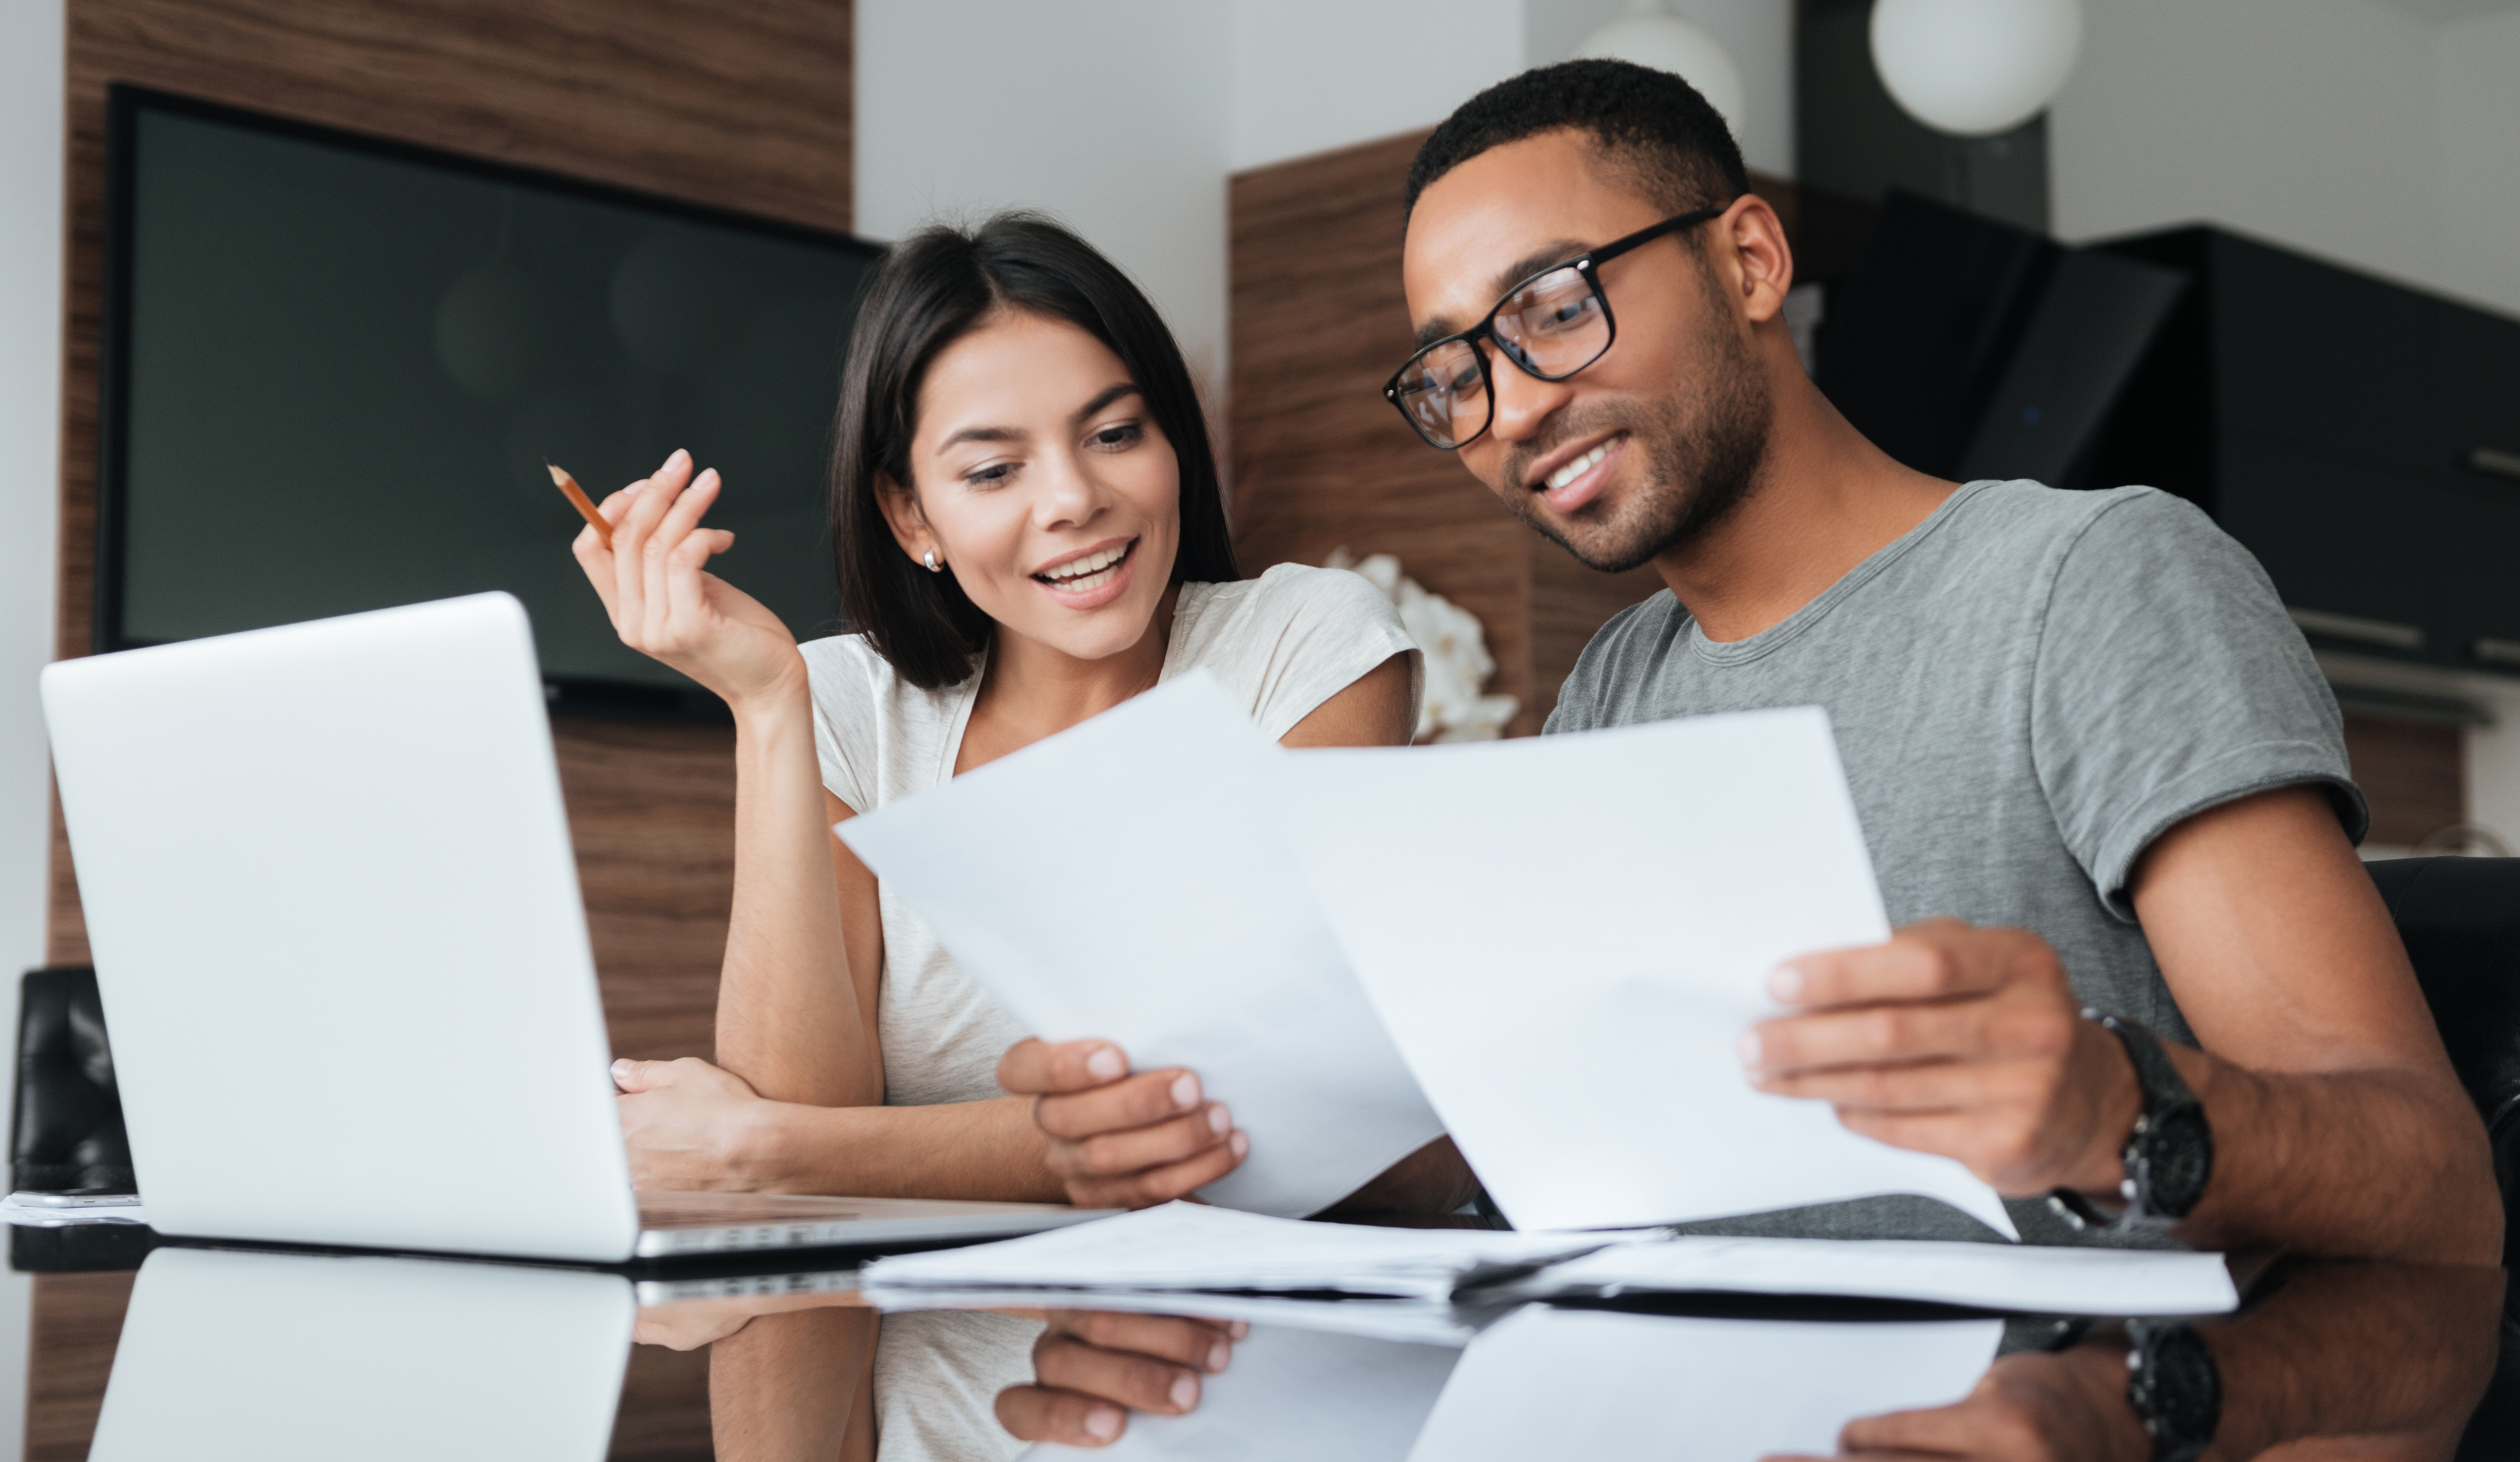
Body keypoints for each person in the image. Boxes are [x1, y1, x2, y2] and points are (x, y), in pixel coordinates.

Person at [1020, 58, 2498, 1269]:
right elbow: (1548, 1162)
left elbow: (2430, 1178)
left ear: (1746, 258)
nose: (1511, 408)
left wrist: (2117, 1105)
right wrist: (1213, 1136)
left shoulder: (2090, 581)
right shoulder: (1614, 683)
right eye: (1455, 373)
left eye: (1551, 307)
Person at [568, 213, 1461, 1461]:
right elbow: (803, 1181)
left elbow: (1227, 1120)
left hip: (1231, 1401)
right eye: (993, 471)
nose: (1076, 500)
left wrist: (760, 1145)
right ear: (911, 512)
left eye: (1114, 432)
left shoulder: (1302, 649)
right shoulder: (841, 702)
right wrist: (766, 709)